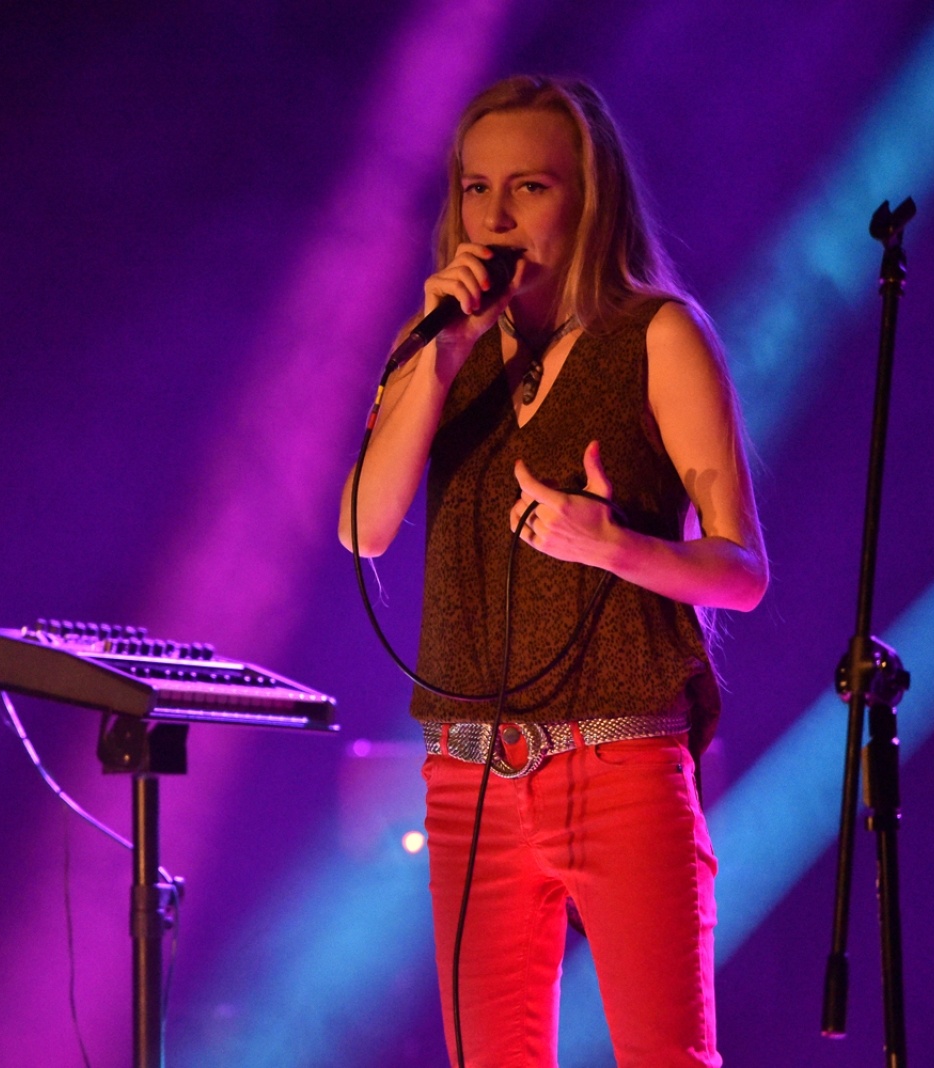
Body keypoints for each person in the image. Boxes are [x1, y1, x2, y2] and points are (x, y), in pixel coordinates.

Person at [339, 75, 767, 1067]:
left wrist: (611, 544)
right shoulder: (440, 354)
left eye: (527, 187)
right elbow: (362, 529)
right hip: (469, 777)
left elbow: (742, 571)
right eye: (475, 188)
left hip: (620, 763)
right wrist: (436, 364)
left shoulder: (656, 334)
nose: (493, 216)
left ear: (589, 195)